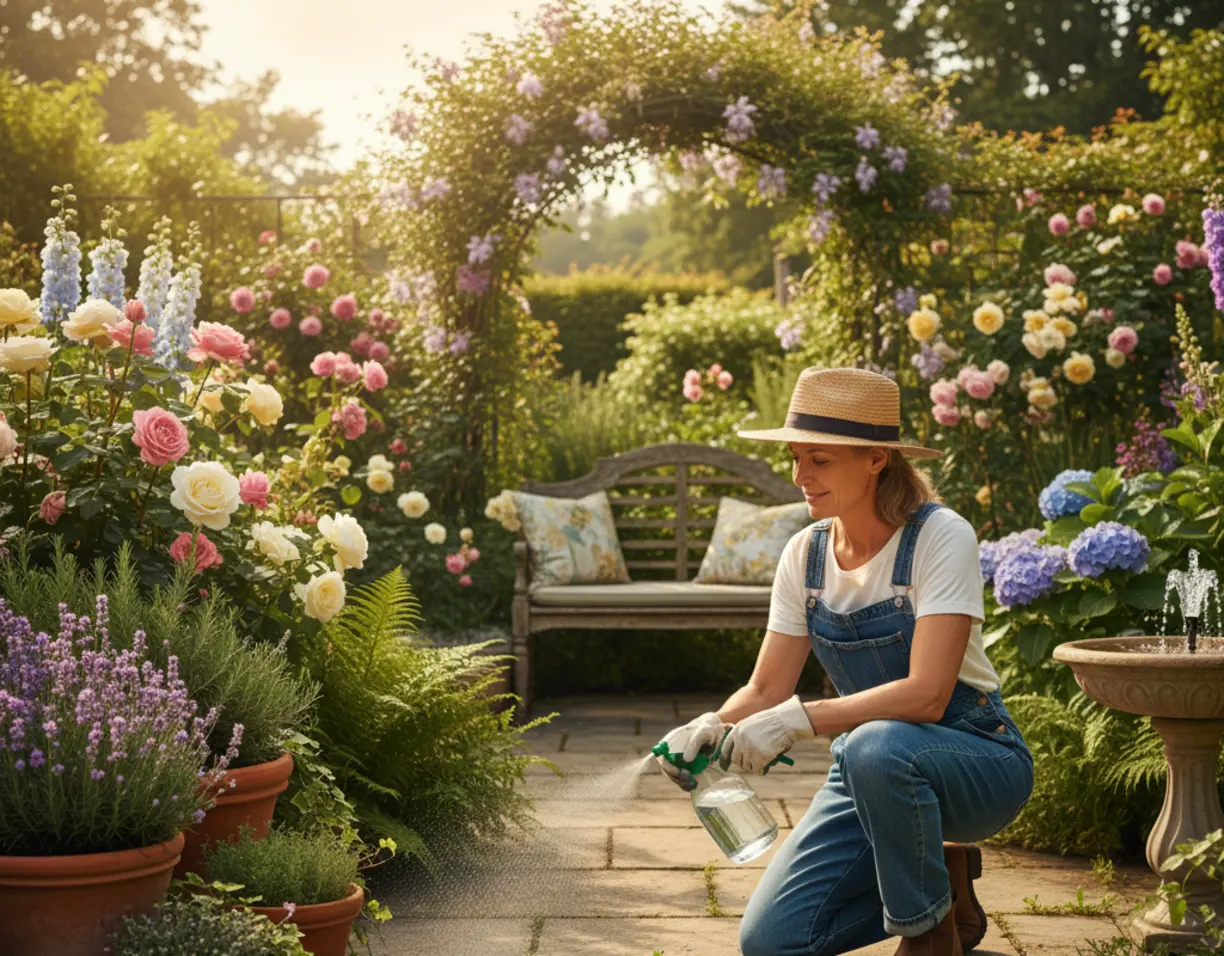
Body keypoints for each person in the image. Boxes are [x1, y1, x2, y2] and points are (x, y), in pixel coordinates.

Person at [654, 367, 1033, 956]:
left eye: (820, 460)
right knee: (772, 944)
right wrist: (713, 724)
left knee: (872, 744)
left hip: (977, 756)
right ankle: (943, 882)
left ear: (877, 458)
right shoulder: (804, 555)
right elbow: (766, 686)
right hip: (867, 773)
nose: (801, 477)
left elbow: (929, 695)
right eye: (797, 459)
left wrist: (799, 719)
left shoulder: (940, 537)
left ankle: (930, 937)